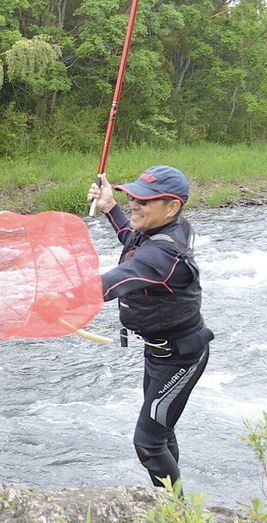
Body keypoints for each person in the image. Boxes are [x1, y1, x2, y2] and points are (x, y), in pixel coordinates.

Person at [87, 165, 214, 491]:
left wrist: (51, 294)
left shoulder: (164, 256)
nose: (134, 204)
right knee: (161, 431)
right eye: (132, 197)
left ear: (172, 207)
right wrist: (109, 207)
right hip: (159, 352)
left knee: (148, 442)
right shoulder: (164, 230)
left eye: (144, 201)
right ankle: (175, 511)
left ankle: (179, 522)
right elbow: (131, 237)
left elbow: (107, 285)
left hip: (181, 357)